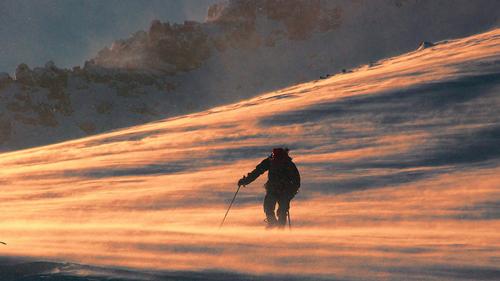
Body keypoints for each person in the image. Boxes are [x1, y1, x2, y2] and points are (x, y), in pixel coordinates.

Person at [238, 148, 300, 228]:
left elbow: (257, 172)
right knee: (280, 210)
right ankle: (278, 228)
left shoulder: (272, 161)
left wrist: (245, 181)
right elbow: (296, 182)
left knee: (271, 209)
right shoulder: (288, 164)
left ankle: (274, 226)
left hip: (277, 190)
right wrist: (291, 193)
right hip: (281, 191)